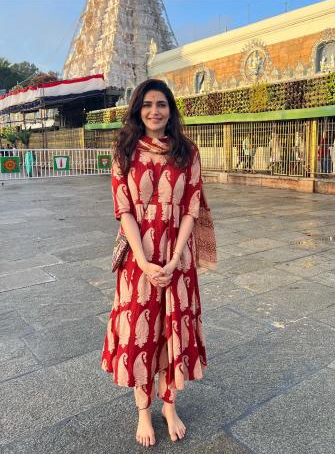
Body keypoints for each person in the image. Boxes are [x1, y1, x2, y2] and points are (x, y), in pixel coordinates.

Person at [101, 79, 216, 447]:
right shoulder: (124, 151)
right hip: (138, 261)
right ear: (138, 109)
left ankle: (169, 405)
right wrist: (143, 261)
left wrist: (176, 256)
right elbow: (124, 210)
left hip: (178, 259)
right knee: (141, 333)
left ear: (170, 110)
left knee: (172, 330)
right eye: (148, 104)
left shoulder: (188, 152)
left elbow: (191, 208)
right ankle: (143, 410)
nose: (155, 111)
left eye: (161, 104)